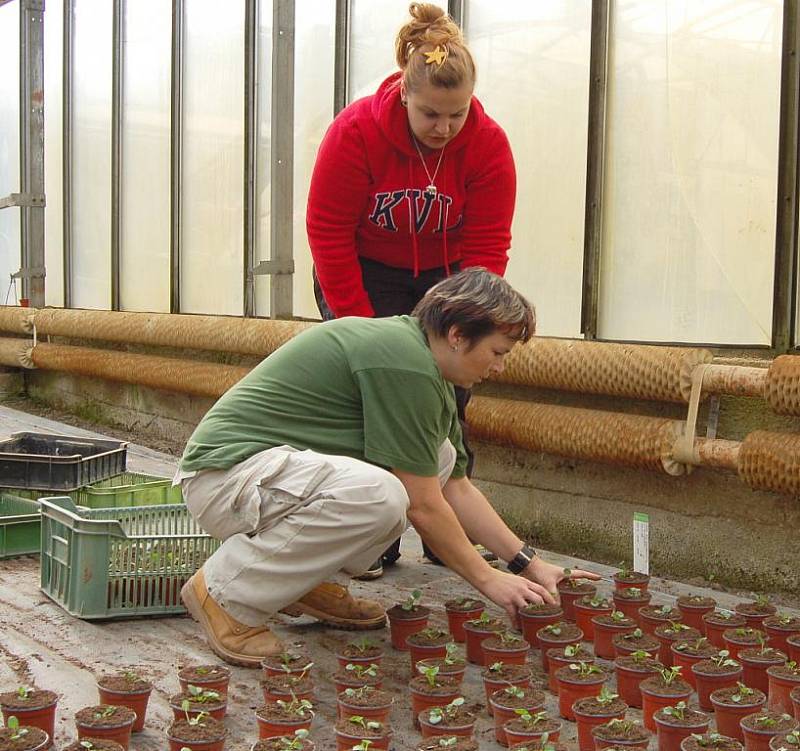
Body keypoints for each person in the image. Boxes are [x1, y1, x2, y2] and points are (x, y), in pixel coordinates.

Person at [177, 269, 598, 667]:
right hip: (225, 479)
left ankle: (297, 584)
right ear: (457, 335)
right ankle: (225, 594)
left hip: (267, 479)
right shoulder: (403, 362)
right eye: (497, 352)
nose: (499, 367)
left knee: (439, 457)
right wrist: (488, 579)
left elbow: (456, 489)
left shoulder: (426, 366)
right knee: (381, 496)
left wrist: (530, 565)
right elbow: (425, 507)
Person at [307, 2, 516, 575]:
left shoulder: (489, 145)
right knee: (370, 398)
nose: (444, 128)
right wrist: (364, 331)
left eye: (457, 114)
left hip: (448, 278)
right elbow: (328, 233)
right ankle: (371, 535)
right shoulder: (354, 134)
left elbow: (488, 244)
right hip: (365, 270)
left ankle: (450, 534)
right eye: (430, 114)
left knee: (449, 394)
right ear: (403, 92)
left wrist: (470, 323)